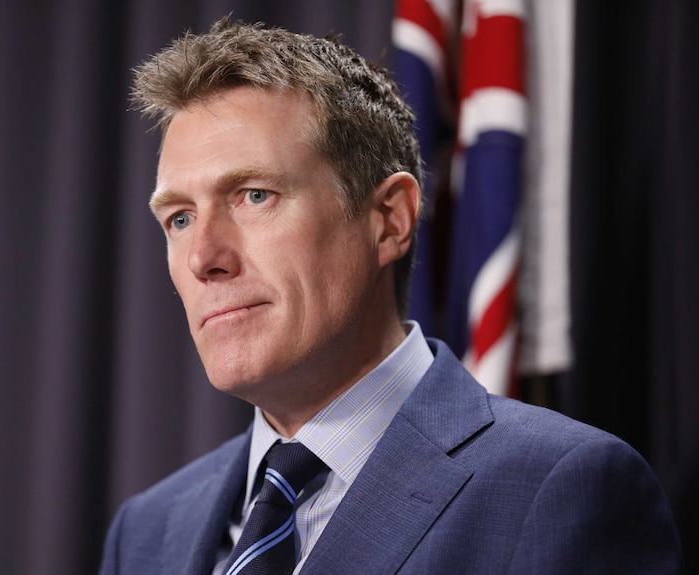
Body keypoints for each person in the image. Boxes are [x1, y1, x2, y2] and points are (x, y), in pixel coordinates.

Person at [100, 17, 683, 574]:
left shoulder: (558, 490)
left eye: (254, 195)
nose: (203, 258)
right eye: (178, 218)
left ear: (389, 219)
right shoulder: (148, 531)